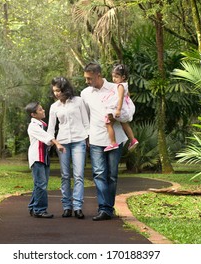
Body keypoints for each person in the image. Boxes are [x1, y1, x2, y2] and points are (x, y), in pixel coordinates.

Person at [81, 62, 127, 221]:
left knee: (112, 175)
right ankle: (104, 208)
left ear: (98, 75)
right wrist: (86, 135)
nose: (87, 81)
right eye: (86, 78)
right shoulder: (85, 94)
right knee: (99, 174)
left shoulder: (116, 88)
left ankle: (108, 207)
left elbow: (129, 111)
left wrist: (117, 116)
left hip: (115, 138)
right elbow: (85, 117)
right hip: (95, 138)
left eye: (89, 78)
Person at [47, 77, 89, 219]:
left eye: (58, 90)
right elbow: (51, 129)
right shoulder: (54, 107)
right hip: (63, 142)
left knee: (78, 175)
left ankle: (78, 207)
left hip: (79, 140)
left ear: (65, 89)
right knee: (65, 175)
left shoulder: (78, 101)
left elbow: (86, 122)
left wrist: (87, 138)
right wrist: (54, 143)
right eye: (54, 91)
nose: (56, 93)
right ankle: (66, 206)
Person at [25, 101, 66, 218]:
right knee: (41, 184)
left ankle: (33, 206)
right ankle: (40, 209)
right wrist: (57, 143)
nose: (43, 111)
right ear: (33, 114)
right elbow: (46, 137)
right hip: (37, 158)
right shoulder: (33, 126)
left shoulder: (42, 124)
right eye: (40, 110)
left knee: (40, 184)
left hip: (44, 157)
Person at [103, 64, 138, 152]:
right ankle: (133, 140)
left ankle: (113, 142)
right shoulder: (125, 85)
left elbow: (120, 98)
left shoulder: (120, 86)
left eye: (116, 77)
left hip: (120, 109)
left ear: (123, 77)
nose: (114, 79)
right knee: (124, 123)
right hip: (125, 109)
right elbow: (128, 95)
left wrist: (118, 110)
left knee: (108, 123)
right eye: (113, 76)